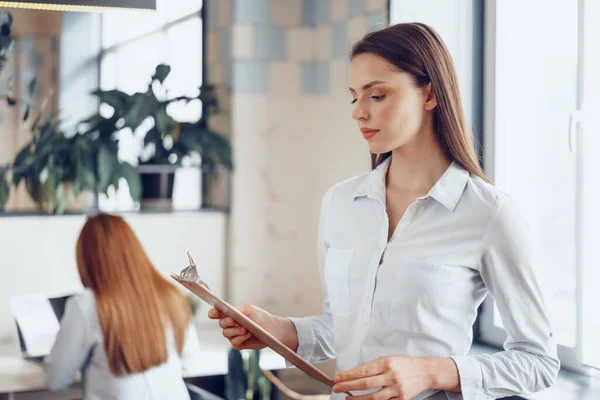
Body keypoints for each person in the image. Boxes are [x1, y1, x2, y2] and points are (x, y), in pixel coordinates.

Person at [209, 22, 559, 400]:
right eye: (354, 97)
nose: (359, 112)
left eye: (377, 96)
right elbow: (340, 328)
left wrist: (430, 372)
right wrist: (280, 330)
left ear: (429, 94)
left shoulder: (488, 213)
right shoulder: (340, 203)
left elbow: (538, 361)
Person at [44, 213, 202, 399]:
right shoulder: (170, 295)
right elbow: (190, 363)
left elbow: (55, 380)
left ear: (87, 260)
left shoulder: (88, 304)